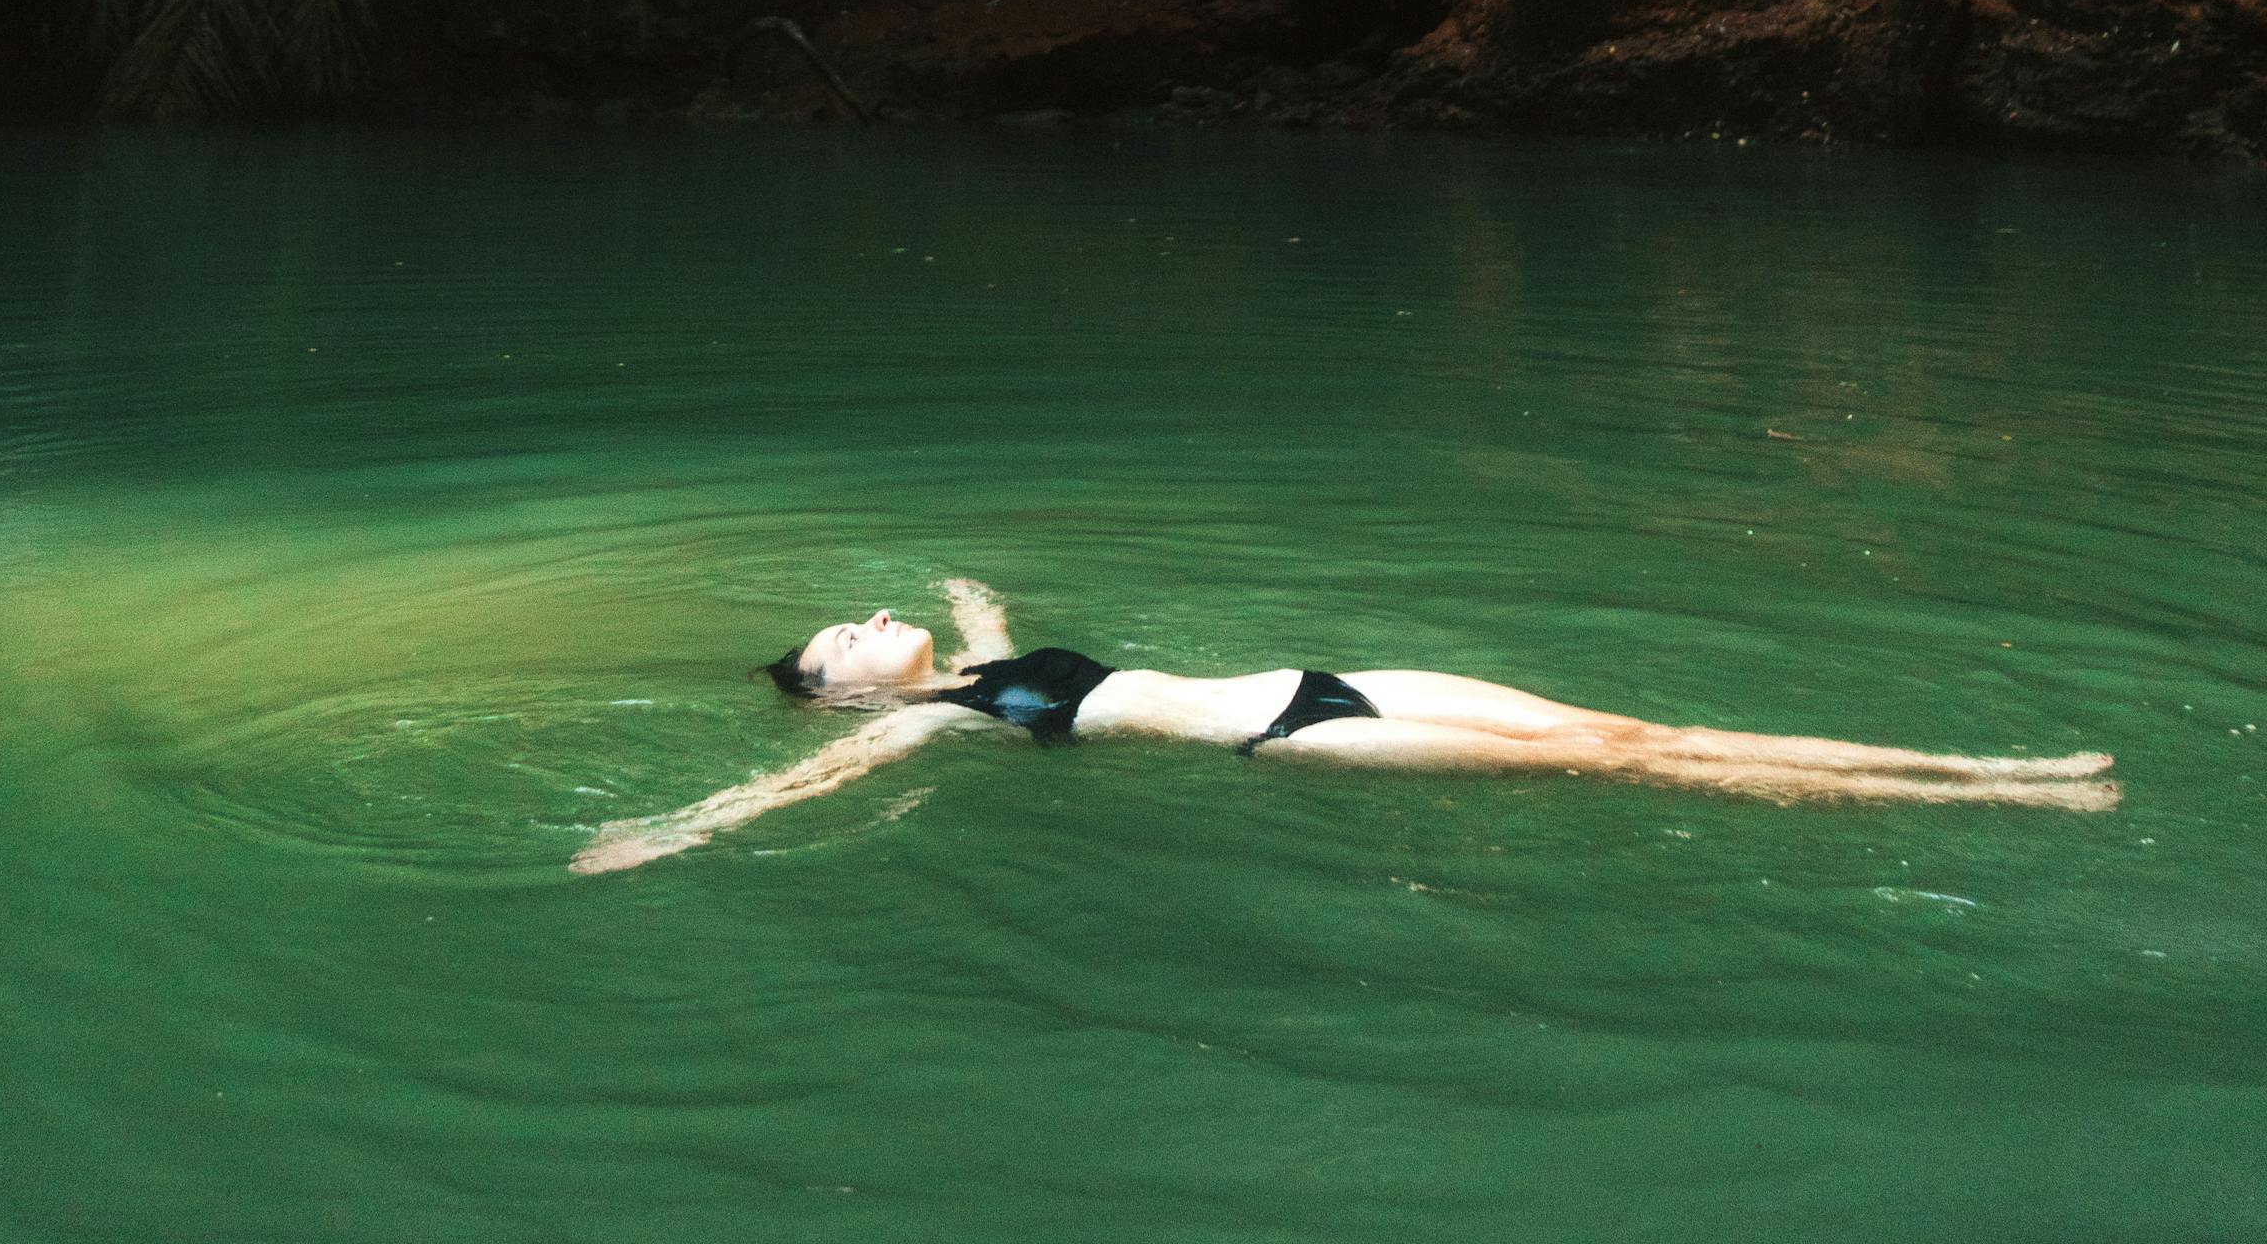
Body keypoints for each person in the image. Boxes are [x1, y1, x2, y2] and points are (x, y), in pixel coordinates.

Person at [570, 579, 2116, 872]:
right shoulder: (927, 731)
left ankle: (1994, 762)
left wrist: (971, 587)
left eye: (863, 615)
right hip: (1296, 741)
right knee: (1615, 770)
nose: (869, 623)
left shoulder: (979, 664)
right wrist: (680, 826)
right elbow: (810, 785)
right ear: (844, 690)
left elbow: (984, 630)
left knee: (1643, 720)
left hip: (1346, 670)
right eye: (847, 640)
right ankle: (2002, 809)